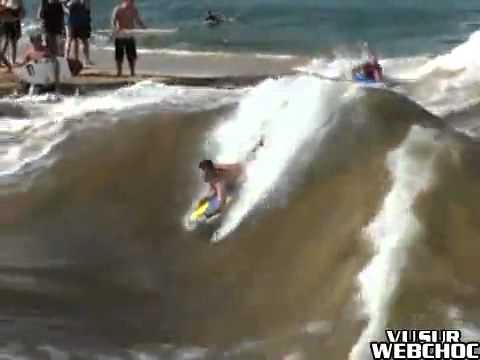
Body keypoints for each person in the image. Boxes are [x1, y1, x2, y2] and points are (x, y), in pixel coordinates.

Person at [197, 138, 264, 218]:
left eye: (205, 172)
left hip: (239, 177)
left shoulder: (220, 183)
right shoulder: (214, 167)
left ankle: (259, 145)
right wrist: (204, 199)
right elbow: (212, 185)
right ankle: (259, 144)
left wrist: (213, 213)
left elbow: (222, 204)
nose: (203, 175)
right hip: (236, 167)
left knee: (248, 160)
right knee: (248, 157)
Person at [111, 0, 146, 77]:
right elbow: (113, 21)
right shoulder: (118, 9)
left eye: (133, 2)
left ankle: (132, 72)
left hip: (130, 34)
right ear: (125, 1)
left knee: (132, 55)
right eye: (131, 1)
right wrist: (115, 28)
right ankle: (119, 72)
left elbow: (138, 20)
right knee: (119, 54)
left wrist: (144, 28)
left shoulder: (134, 9)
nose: (133, 3)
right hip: (120, 34)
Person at [64, 0, 93, 65]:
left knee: (81, 40)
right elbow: (87, 9)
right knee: (73, 40)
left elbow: (87, 8)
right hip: (76, 22)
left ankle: (84, 59)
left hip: (78, 22)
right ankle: (69, 58)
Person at [1, 0, 25, 65]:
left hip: (11, 20)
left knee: (10, 42)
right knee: (8, 42)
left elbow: (20, 11)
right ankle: (8, 60)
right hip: (9, 20)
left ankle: (12, 61)